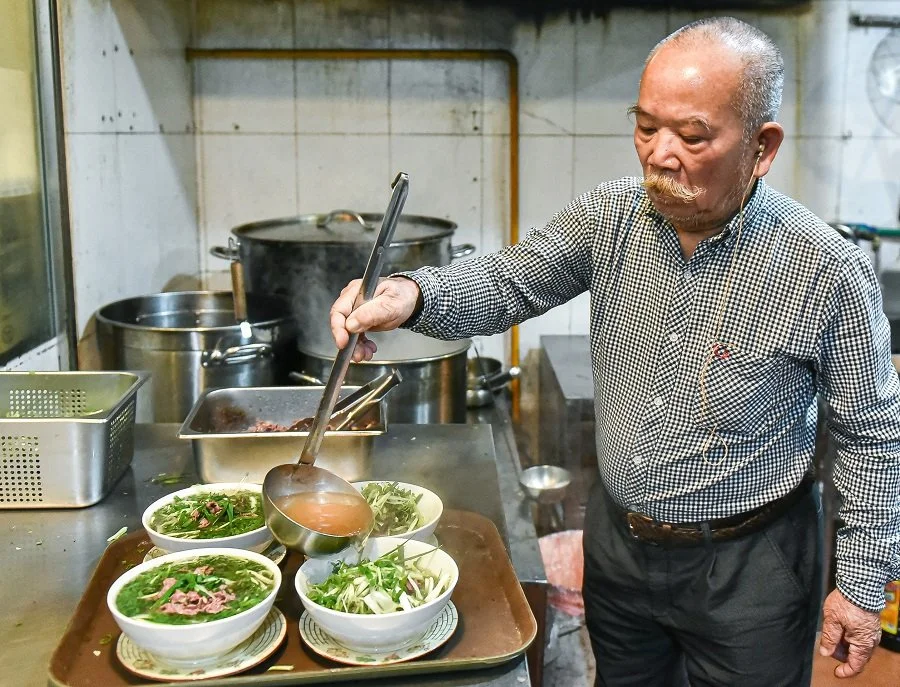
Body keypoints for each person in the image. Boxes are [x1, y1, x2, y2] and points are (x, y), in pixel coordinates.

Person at [329, 16, 900, 686]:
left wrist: (861, 584)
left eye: (692, 136)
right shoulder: (610, 217)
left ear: (761, 145)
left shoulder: (824, 268)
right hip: (621, 549)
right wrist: (411, 294)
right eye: (646, 126)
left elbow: (872, 433)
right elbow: (511, 277)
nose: (659, 154)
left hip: (754, 568)